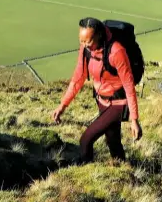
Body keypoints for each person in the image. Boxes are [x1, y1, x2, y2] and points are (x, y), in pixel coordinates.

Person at [52, 17, 143, 162]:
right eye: (81, 41)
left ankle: (86, 170)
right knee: (113, 142)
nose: (84, 45)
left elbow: (128, 85)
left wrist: (134, 119)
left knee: (85, 140)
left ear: (99, 35)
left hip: (118, 103)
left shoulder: (116, 51)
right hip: (101, 100)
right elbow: (78, 78)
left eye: (88, 41)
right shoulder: (85, 49)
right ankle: (123, 171)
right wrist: (62, 105)